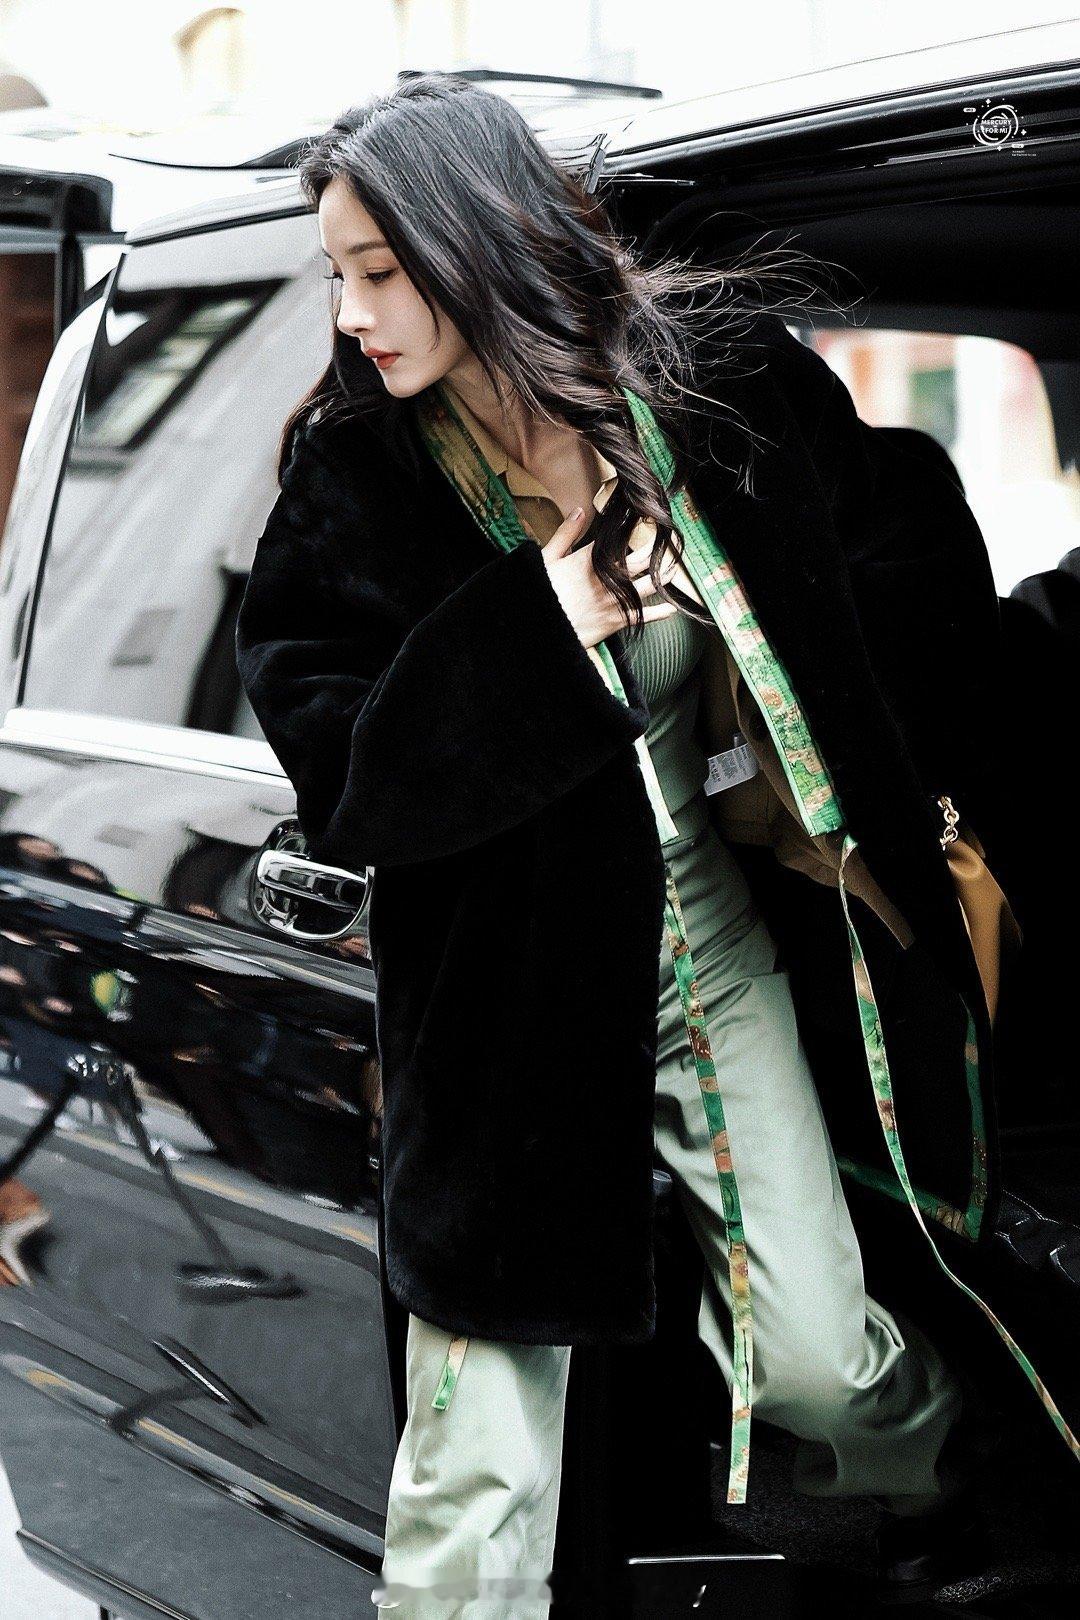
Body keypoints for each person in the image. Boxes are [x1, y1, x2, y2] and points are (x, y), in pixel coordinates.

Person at [235, 74, 1020, 1619]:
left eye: (378, 272)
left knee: (820, 1358)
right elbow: (352, 776)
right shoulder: (356, 482)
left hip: (717, 951)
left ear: (473, 243)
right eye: (336, 274)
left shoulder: (717, 390)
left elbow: (905, 559)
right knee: (481, 1466)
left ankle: (955, 1494)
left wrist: (852, 740)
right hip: (510, 1010)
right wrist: (549, 619)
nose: (350, 314)